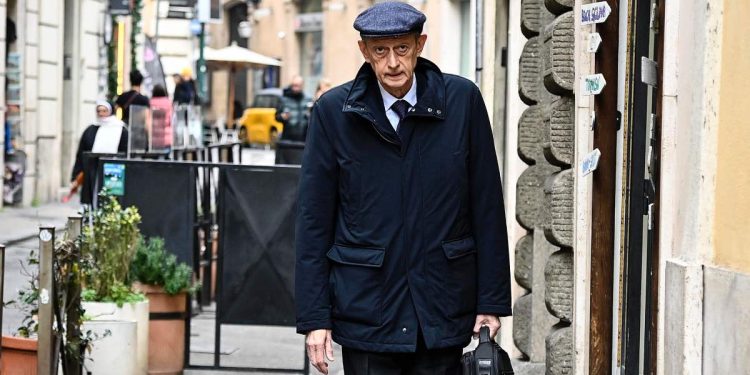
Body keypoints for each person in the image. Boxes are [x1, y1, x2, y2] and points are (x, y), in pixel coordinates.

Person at [295, 3, 512, 374]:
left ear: (420, 45)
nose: (392, 62)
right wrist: (315, 318)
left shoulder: (462, 102)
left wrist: (490, 301)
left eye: (402, 49)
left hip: (441, 309)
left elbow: (487, 208)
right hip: (367, 312)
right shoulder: (333, 113)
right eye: (380, 50)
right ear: (364, 51)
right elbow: (314, 222)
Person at [70, 100, 128, 204]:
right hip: (93, 171)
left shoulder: (121, 129)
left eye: (104, 111)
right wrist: (76, 175)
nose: (101, 114)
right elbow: (81, 153)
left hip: (113, 170)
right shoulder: (90, 129)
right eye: (99, 111)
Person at [275, 75, 311, 142]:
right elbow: (276, 116)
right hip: (288, 138)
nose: (295, 88)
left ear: (302, 86)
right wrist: (282, 117)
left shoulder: (308, 99)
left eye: (297, 86)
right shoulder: (284, 99)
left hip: (304, 139)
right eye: (293, 85)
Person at [150, 84, 173, 150]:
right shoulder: (169, 103)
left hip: (154, 136)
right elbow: (171, 119)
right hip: (167, 136)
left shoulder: (150, 103)